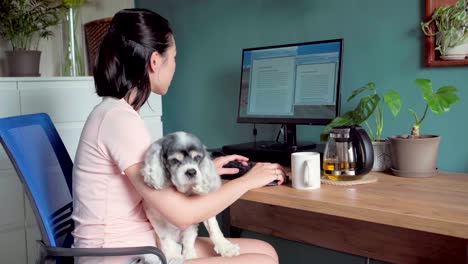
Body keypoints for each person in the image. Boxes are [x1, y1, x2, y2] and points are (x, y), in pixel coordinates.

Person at [71, 8, 286, 264]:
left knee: (265, 251)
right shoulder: (119, 120)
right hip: (120, 257)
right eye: (173, 57)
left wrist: (202, 169)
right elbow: (182, 215)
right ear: (154, 61)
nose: (174, 65)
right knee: (262, 261)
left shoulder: (116, 113)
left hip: (142, 246)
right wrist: (247, 181)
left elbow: (154, 186)